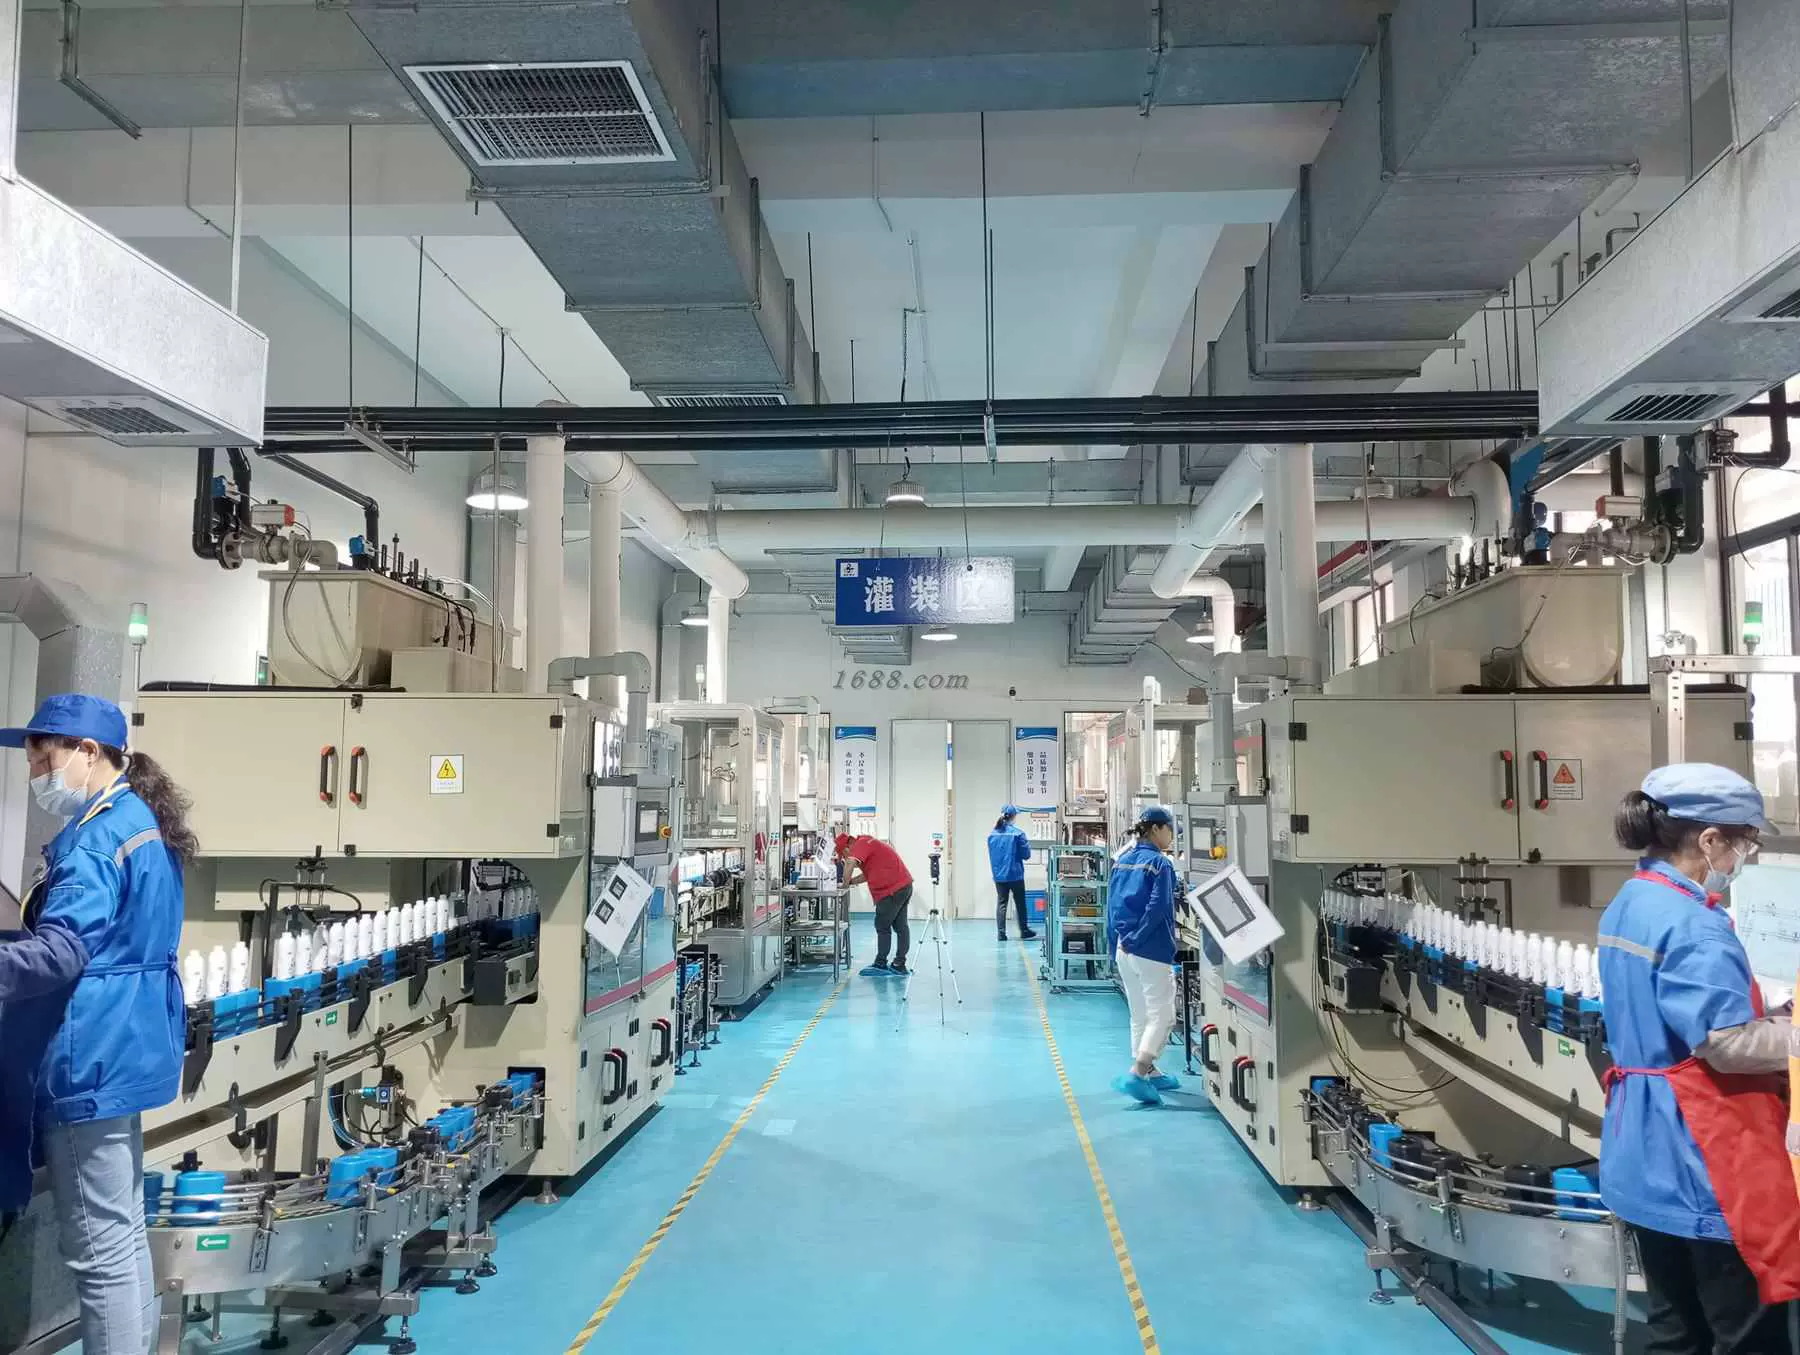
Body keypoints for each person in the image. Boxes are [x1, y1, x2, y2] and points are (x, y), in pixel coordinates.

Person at [0, 695, 193, 1355]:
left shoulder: (95, 837)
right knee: (123, 1235)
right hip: (128, 1042)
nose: (35, 773)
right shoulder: (139, 820)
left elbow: (62, 951)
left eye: (42, 758)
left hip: (90, 1053)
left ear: (88, 751)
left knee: (99, 1251)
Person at [1598, 764, 1800, 1354]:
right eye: (1746, 842)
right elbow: (1727, 1045)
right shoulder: (1696, 926)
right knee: (1745, 1335)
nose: (1744, 857)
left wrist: (1776, 1016)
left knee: (1675, 1328)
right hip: (1704, 1156)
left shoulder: (1634, 900)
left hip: (1644, 1147)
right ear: (1709, 840)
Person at [1107, 805, 1182, 1105]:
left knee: (1140, 1013)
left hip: (1123, 949)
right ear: (1156, 829)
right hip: (1150, 949)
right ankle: (1138, 1073)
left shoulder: (1122, 861)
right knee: (1163, 1015)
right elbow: (1158, 907)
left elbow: (1111, 906)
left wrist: (1118, 944)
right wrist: (1138, 939)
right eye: (1170, 830)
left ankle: (1150, 1071)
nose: (1172, 836)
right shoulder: (1160, 864)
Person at [837, 831, 915, 977]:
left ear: (848, 847)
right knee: (901, 927)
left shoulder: (860, 845)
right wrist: (851, 882)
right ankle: (899, 965)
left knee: (882, 926)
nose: (845, 858)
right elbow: (867, 875)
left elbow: (850, 863)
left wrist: (844, 885)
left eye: (844, 855)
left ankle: (880, 964)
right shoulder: (867, 843)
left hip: (891, 891)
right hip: (904, 885)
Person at [987, 804, 1038, 942]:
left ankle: (1001, 933)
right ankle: (1024, 931)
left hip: (999, 876)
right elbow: (1026, 855)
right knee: (1020, 902)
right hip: (1015, 874)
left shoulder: (992, 835)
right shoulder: (1018, 834)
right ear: (1013, 816)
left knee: (1002, 902)